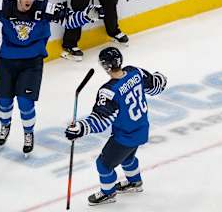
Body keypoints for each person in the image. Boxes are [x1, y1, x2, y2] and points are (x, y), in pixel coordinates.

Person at [0, 0, 103, 154]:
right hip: (8, 61)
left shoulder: (43, 8)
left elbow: (68, 20)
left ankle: (28, 133)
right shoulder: (5, 6)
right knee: (4, 101)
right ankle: (5, 127)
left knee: (25, 102)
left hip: (32, 62)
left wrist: (86, 15)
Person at [65, 47, 167, 205]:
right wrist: (160, 79)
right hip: (141, 129)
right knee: (127, 157)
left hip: (125, 135)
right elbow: (155, 86)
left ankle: (108, 193)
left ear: (105, 66)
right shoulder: (135, 72)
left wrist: (80, 128)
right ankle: (134, 182)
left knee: (103, 164)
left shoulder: (109, 91)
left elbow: (101, 121)